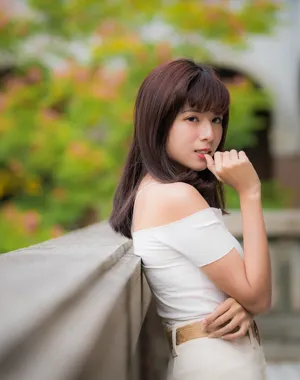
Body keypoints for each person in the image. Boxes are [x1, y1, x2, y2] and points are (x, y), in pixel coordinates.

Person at [109, 58, 271, 379]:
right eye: (192, 118)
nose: (209, 134)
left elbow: (247, 293)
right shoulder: (174, 197)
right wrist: (250, 193)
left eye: (217, 119)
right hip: (219, 362)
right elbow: (260, 295)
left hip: (209, 355)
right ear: (158, 121)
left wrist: (243, 301)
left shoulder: (157, 190)